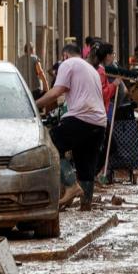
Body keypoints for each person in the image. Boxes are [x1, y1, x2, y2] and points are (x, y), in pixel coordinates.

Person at [35, 44, 107, 210]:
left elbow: (57, 91)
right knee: (86, 163)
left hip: (80, 117)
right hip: (99, 122)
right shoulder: (91, 69)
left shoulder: (68, 64)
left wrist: (34, 104)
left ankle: (71, 185)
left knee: (50, 144)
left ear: (65, 55)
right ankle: (85, 204)